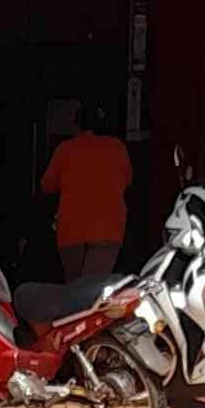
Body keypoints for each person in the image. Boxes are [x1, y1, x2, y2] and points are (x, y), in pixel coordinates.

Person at [39, 104, 133, 292]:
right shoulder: (118, 148)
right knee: (94, 290)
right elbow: (127, 181)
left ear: (77, 125)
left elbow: (46, 185)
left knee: (74, 289)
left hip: (71, 230)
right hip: (108, 228)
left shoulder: (65, 149)